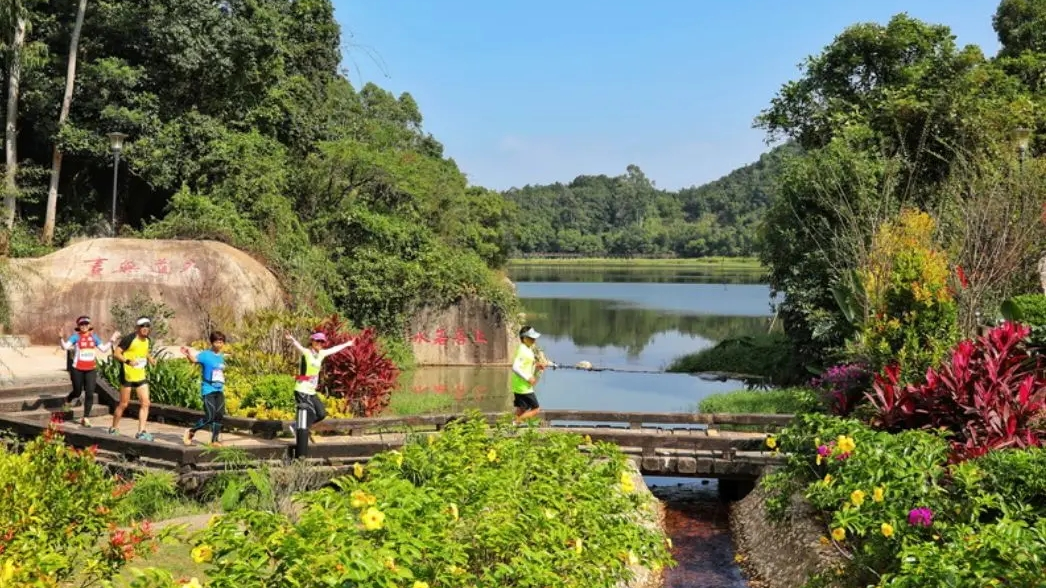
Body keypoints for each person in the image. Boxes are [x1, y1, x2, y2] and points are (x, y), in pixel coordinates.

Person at [284, 331, 355, 435]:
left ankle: (298, 426)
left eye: (322, 342)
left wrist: (347, 344)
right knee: (310, 413)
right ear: (312, 341)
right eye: (318, 341)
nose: (320, 344)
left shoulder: (321, 354)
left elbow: (334, 349)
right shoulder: (307, 353)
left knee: (321, 414)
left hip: (311, 391)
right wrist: (292, 339)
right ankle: (298, 429)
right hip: (302, 389)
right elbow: (299, 347)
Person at [58, 316, 120, 427]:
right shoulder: (75, 337)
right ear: (78, 326)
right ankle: (68, 399)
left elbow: (104, 349)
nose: (84, 326)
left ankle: (85, 417)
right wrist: (61, 339)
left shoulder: (94, 338)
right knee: (77, 392)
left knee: (90, 393)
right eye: (82, 324)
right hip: (77, 369)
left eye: (86, 324)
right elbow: (65, 347)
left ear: (89, 325)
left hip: (91, 369)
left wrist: (112, 339)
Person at [110, 317, 157, 440]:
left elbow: (143, 351)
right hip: (127, 375)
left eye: (147, 326)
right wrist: (127, 361)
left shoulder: (147, 340)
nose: (145, 328)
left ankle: (141, 431)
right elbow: (116, 353)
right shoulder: (129, 339)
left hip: (140, 375)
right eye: (142, 326)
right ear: (137, 328)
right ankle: (114, 427)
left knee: (146, 403)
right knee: (124, 404)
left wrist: (150, 358)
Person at [181, 332, 228, 447]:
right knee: (210, 416)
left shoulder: (222, 356)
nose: (219, 344)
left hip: (219, 389)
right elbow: (194, 360)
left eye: (221, 342)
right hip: (208, 389)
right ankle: (191, 431)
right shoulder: (206, 355)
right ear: (212, 342)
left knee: (219, 415)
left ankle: (214, 440)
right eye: (217, 341)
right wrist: (187, 354)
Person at [512, 325, 547, 424]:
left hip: (520, 385)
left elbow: (526, 364)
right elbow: (515, 367)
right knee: (536, 409)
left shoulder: (527, 349)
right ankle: (515, 423)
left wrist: (537, 365)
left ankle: (511, 428)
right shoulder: (523, 350)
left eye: (534, 338)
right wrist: (528, 378)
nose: (534, 340)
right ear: (523, 338)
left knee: (522, 409)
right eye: (531, 338)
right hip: (523, 386)